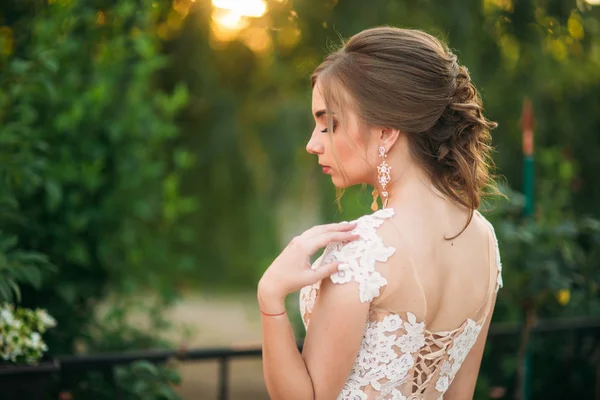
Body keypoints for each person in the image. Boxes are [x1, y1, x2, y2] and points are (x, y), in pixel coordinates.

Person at [257, 27, 503, 400]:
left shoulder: (361, 250)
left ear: (386, 133)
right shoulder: (483, 238)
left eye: (329, 124)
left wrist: (270, 296)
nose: (312, 143)